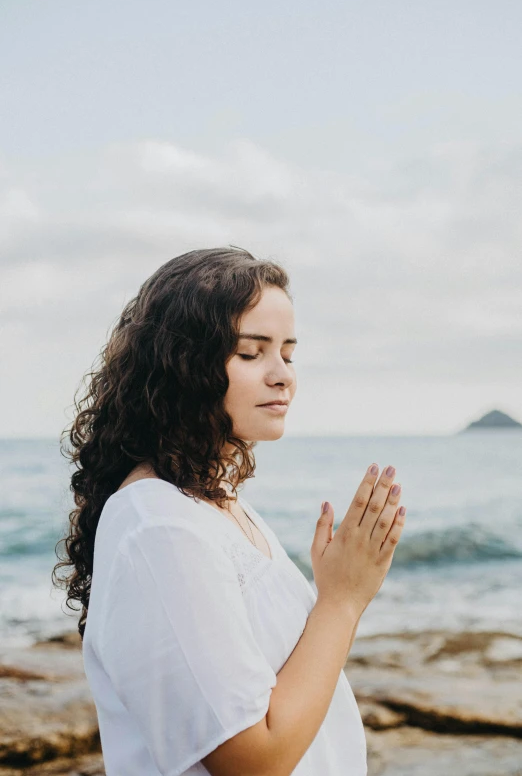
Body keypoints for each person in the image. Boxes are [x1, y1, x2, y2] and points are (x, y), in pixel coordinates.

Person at [52, 246, 406, 776]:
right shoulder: (159, 526)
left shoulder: (215, 504)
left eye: (288, 351)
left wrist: (340, 593)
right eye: (250, 352)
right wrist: (342, 600)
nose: (282, 374)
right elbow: (252, 761)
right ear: (182, 364)